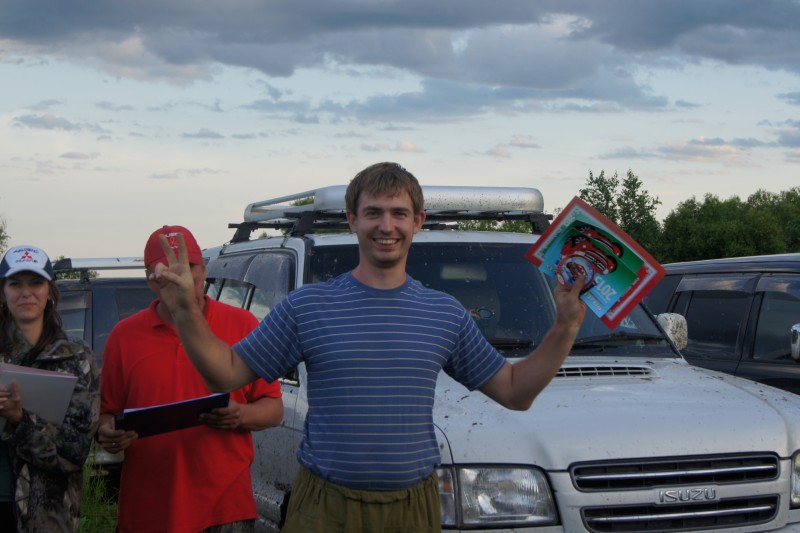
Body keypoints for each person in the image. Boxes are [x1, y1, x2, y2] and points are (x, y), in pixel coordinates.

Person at [152, 163, 587, 532]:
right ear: (352, 219)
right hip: (325, 507)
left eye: (399, 213)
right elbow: (226, 374)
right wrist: (187, 312)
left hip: (413, 508)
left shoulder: (444, 313)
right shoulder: (309, 306)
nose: (386, 226)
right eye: (373, 212)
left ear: (417, 221)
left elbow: (514, 391)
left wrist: (565, 327)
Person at [96, 225, 284, 533]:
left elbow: (274, 408)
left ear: (204, 271)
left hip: (224, 509)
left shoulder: (242, 323)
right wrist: (108, 432)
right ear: (150, 280)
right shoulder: (123, 337)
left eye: (189, 266)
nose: (179, 275)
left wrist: (241, 414)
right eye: (167, 269)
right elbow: (107, 414)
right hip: (148, 510)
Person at [0, 245, 100, 532]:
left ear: (50, 292)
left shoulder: (77, 357)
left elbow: (75, 451)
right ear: (3, 293)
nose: (26, 293)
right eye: (15, 284)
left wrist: (20, 420)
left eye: (36, 282)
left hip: (46, 519)